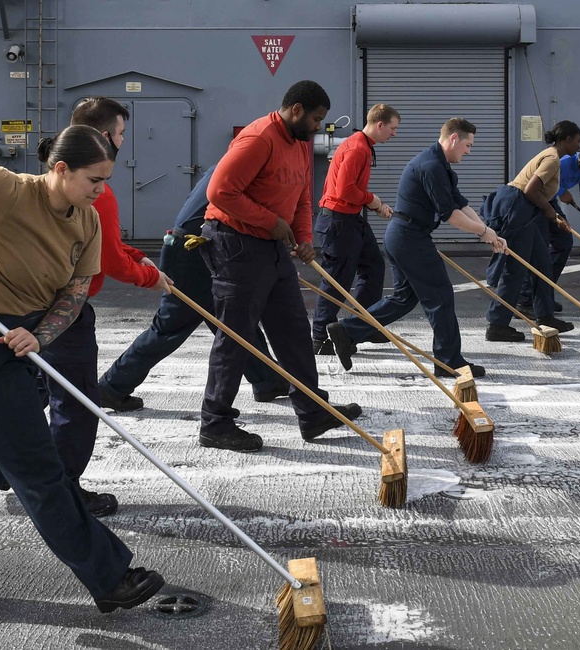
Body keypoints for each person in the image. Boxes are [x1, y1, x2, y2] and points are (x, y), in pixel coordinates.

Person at [0, 126, 164, 616]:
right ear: (60, 169)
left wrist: (40, 335)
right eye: (94, 179)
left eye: (106, 180)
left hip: (17, 344)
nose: (100, 190)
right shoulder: (6, 189)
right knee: (40, 470)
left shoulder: (85, 221)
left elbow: (75, 290)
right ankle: (109, 578)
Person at [197, 80, 363, 452]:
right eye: (317, 119)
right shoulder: (259, 138)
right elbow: (219, 192)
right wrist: (272, 222)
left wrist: (304, 238)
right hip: (236, 245)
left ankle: (313, 410)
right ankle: (215, 422)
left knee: (292, 331)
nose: (319, 127)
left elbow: (302, 195)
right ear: (297, 110)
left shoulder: (299, 144)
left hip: (271, 248)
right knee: (236, 337)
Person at [37, 97, 172, 519]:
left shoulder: (45, 180)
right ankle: (61, 493)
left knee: (28, 392)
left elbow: (107, 244)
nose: (122, 142)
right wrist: (152, 279)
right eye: (120, 134)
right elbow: (108, 260)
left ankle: (13, 472)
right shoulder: (102, 192)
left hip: (30, 304)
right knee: (76, 404)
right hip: (66, 311)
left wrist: (133, 253)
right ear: (102, 135)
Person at [97, 164, 290, 410]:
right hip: (193, 251)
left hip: (197, 248)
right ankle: (112, 386)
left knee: (236, 319)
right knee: (170, 327)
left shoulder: (226, 167)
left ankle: (268, 379)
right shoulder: (249, 170)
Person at [326, 118, 506, 377]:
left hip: (405, 236)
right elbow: (451, 216)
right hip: (409, 237)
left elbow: (461, 205)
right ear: (453, 139)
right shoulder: (431, 166)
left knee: (404, 299)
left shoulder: (439, 165)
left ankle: (347, 331)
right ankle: (449, 361)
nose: (469, 151)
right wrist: (485, 233)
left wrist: (491, 233)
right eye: (467, 145)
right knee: (441, 295)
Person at [480, 120, 580, 343]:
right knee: (516, 268)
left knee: (542, 263)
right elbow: (530, 189)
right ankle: (497, 325)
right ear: (567, 139)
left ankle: (545, 317)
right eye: (578, 140)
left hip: (530, 211)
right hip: (518, 208)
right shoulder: (552, 158)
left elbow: (542, 194)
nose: (579, 146)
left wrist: (555, 215)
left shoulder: (553, 157)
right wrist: (551, 214)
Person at [310, 104, 398, 354]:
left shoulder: (362, 146)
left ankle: (361, 326)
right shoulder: (357, 148)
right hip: (339, 222)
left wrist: (372, 204)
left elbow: (349, 190)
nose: (394, 134)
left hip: (351, 219)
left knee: (373, 266)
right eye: (392, 128)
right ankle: (320, 337)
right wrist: (373, 200)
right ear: (379, 125)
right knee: (337, 279)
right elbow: (344, 190)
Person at [515, 145, 580, 317]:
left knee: (564, 243)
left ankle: (543, 294)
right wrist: (562, 190)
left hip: (550, 200)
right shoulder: (562, 163)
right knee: (540, 250)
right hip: (537, 200)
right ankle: (525, 299)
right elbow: (540, 185)